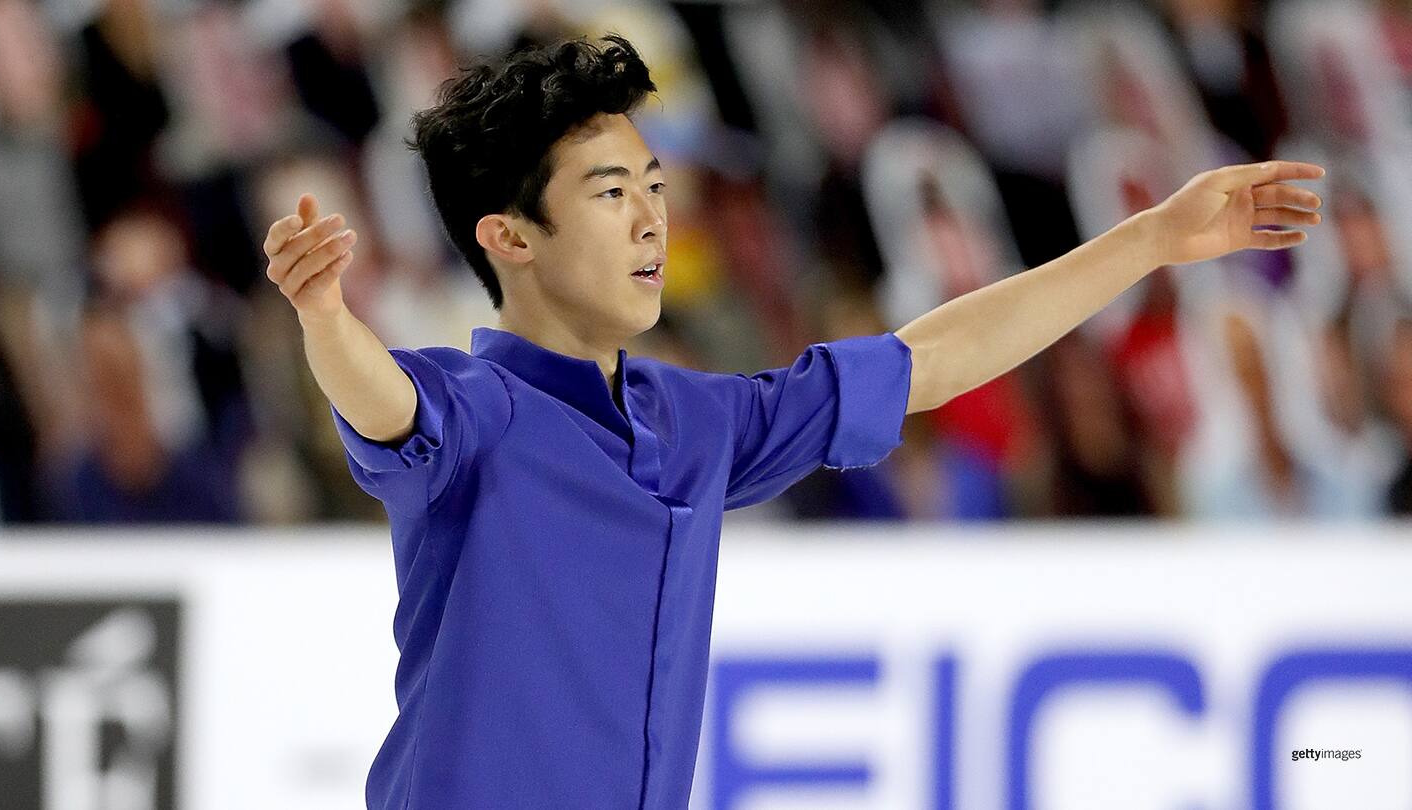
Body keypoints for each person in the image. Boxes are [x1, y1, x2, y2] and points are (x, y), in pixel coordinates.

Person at [261, 34, 1324, 810]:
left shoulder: (695, 418)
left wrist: (1145, 240)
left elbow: (930, 363)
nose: (649, 219)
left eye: (655, 185)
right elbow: (382, 400)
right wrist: (322, 315)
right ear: (510, 236)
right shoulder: (475, 409)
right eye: (607, 191)